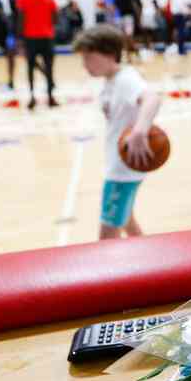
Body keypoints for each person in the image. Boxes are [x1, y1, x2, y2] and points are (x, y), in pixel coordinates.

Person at [73, 25, 163, 240]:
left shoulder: (125, 79)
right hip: (121, 163)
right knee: (128, 222)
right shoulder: (111, 79)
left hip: (122, 170)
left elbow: (152, 98)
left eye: (89, 58)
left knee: (107, 238)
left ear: (109, 54)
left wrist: (140, 131)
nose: (84, 65)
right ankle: (148, 256)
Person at [17, 0, 59, 109]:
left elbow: (21, 20)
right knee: (49, 67)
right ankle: (50, 98)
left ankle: (32, 98)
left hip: (30, 38)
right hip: (47, 37)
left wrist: (20, 39)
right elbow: (55, 19)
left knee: (30, 68)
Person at [0, 0, 18, 87]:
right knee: (10, 57)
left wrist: (17, 34)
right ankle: (10, 82)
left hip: (14, 34)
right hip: (12, 33)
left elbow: (17, 16)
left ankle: (48, 77)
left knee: (12, 57)